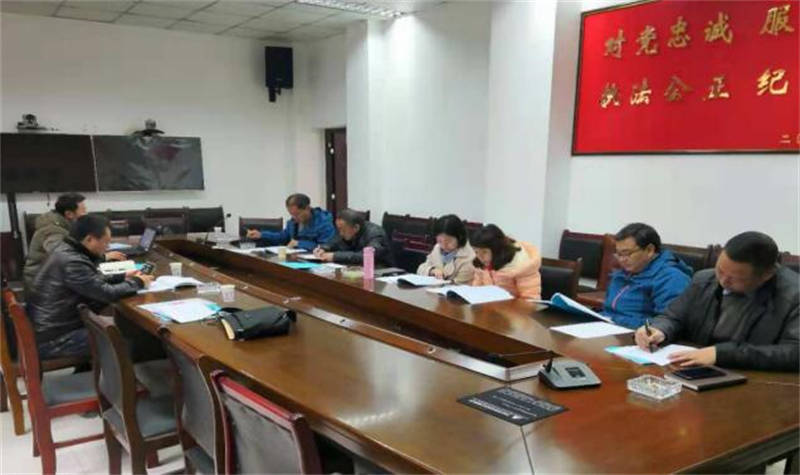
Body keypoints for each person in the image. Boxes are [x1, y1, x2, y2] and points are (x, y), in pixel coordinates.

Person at [635, 232, 799, 371]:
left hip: (755, 378)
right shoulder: (704, 279)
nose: (723, 281)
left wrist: (720, 354)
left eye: (735, 278)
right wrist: (659, 329)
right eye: (720, 270)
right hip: (694, 370)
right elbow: (673, 317)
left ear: (766, 275)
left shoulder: (793, 296)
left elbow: (795, 353)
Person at [26, 215, 154, 359]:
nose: (107, 247)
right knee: (130, 340)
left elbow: (90, 280)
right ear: (89, 239)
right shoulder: (72, 262)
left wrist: (122, 276)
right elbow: (106, 293)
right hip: (56, 339)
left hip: (52, 328)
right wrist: (137, 282)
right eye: (105, 242)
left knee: (130, 331)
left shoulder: (66, 249)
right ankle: (121, 373)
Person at [23, 193, 125, 291]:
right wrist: (103, 257)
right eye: (83, 210)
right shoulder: (52, 231)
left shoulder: (64, 225)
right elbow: (66, 258)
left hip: (54, 280)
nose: (86, 214)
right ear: (69, 214)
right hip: (42, 285)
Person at [603, 223, 692, 329]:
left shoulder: (672, 278)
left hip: (635, 334)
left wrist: (614, 319)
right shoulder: (625, 272)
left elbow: (667, 323)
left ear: (649, 250)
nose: (622, 260)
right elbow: (608, 309)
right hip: (610, 327)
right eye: (618, 254)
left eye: (627, 253)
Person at [470, 224, 541, 300]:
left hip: (513, 307)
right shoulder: (482, 263)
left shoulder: (521, 265)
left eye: (484, 252)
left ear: (497, 249)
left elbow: (531, 301)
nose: (480, 257)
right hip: (491, 305)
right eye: (476, 252)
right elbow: (477, 290)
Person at [245, 193, 335, 251]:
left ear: (307, 208)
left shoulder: (324, 222)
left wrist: (299, 244)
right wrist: (261, 235)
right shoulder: (293, 222)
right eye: (291, 214)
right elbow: (283, 237)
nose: (294, 218)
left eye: (297, 214)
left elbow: (326, 246)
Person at [313, 208, 392, 266]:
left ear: (356, 227)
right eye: (338, 229)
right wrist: (323, 248)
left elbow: (366, 257)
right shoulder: (346, 230)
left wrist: (335, 256)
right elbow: (334, 241)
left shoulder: (375, 234)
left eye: (343, 230)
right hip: (356, 268)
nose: (340, 233)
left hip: (381, 271)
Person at [417, 215, 475, 284]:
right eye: (440, 241)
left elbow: (460, 284)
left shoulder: (469, 256)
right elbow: (421, 268)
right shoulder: (437, 248)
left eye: (449, 241)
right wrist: (432, 270)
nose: (444, 245)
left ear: (460, 237)